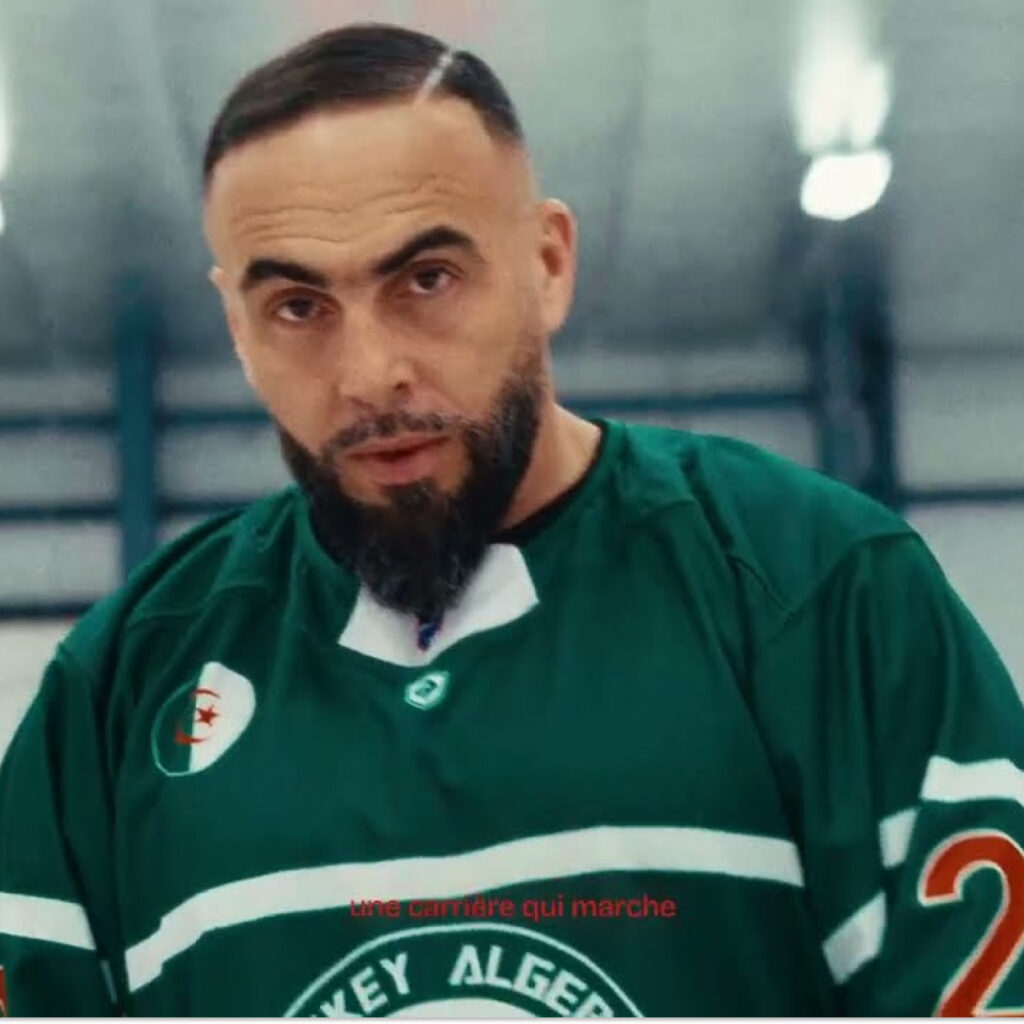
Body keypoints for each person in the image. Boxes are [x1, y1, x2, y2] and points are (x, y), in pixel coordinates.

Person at [1, 22, 1023, 1018]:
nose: (370, 375)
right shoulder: (126, 682)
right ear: (237, 326)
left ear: (547, 264)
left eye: (427, 280)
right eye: (299, 307)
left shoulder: (815, 586)